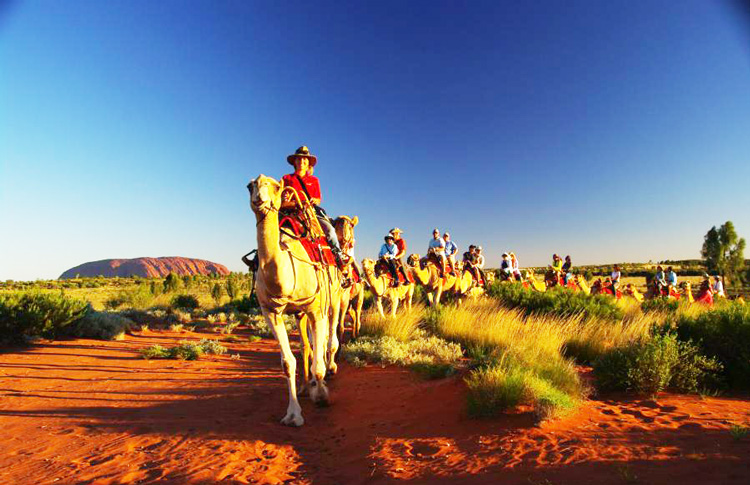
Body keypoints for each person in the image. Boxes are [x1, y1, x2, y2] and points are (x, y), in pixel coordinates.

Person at [281, 146, 344, 265]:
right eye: (299, 159)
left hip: (310, 211)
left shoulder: (314, 180)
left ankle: (338, 255)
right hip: (290, 211)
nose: (302, 161)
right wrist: (286, 198)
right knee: (270, 227)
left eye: (305, 159)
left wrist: (314, 200)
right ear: (295, 161)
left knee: (330, 230)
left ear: (308, 163)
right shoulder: (286, 178)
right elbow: (282, 197)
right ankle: (259, 258)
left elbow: (318, 199)